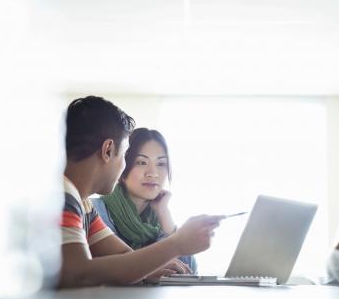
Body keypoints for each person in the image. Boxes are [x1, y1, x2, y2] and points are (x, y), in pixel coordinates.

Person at [60, 96, 224, 287]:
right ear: (108, 150)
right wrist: (177, 243)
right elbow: (78, 273)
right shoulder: (61, 194)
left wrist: (150, 270)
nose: (153, 173)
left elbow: (124, 256)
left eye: (161, 164)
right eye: (124, 155)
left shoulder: (83, 204)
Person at [93, 128, 198, 272]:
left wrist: (164, 213)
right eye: (142, 162)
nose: (153, 173)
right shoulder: (95, 211)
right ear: (123, 167)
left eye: (161, 164)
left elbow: (189, 270)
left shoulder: (157, 223)